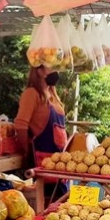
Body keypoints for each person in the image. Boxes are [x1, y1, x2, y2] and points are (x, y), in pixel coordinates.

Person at [14, 65, 68, 197]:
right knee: (49, 202)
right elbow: (20, 126)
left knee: (61, 202)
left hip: (60, 160)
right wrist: (27, 150)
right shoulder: (32, 94)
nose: (56, 71)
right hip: (42, 160)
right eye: (52, 67)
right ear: (39, 71)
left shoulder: (53, 95)